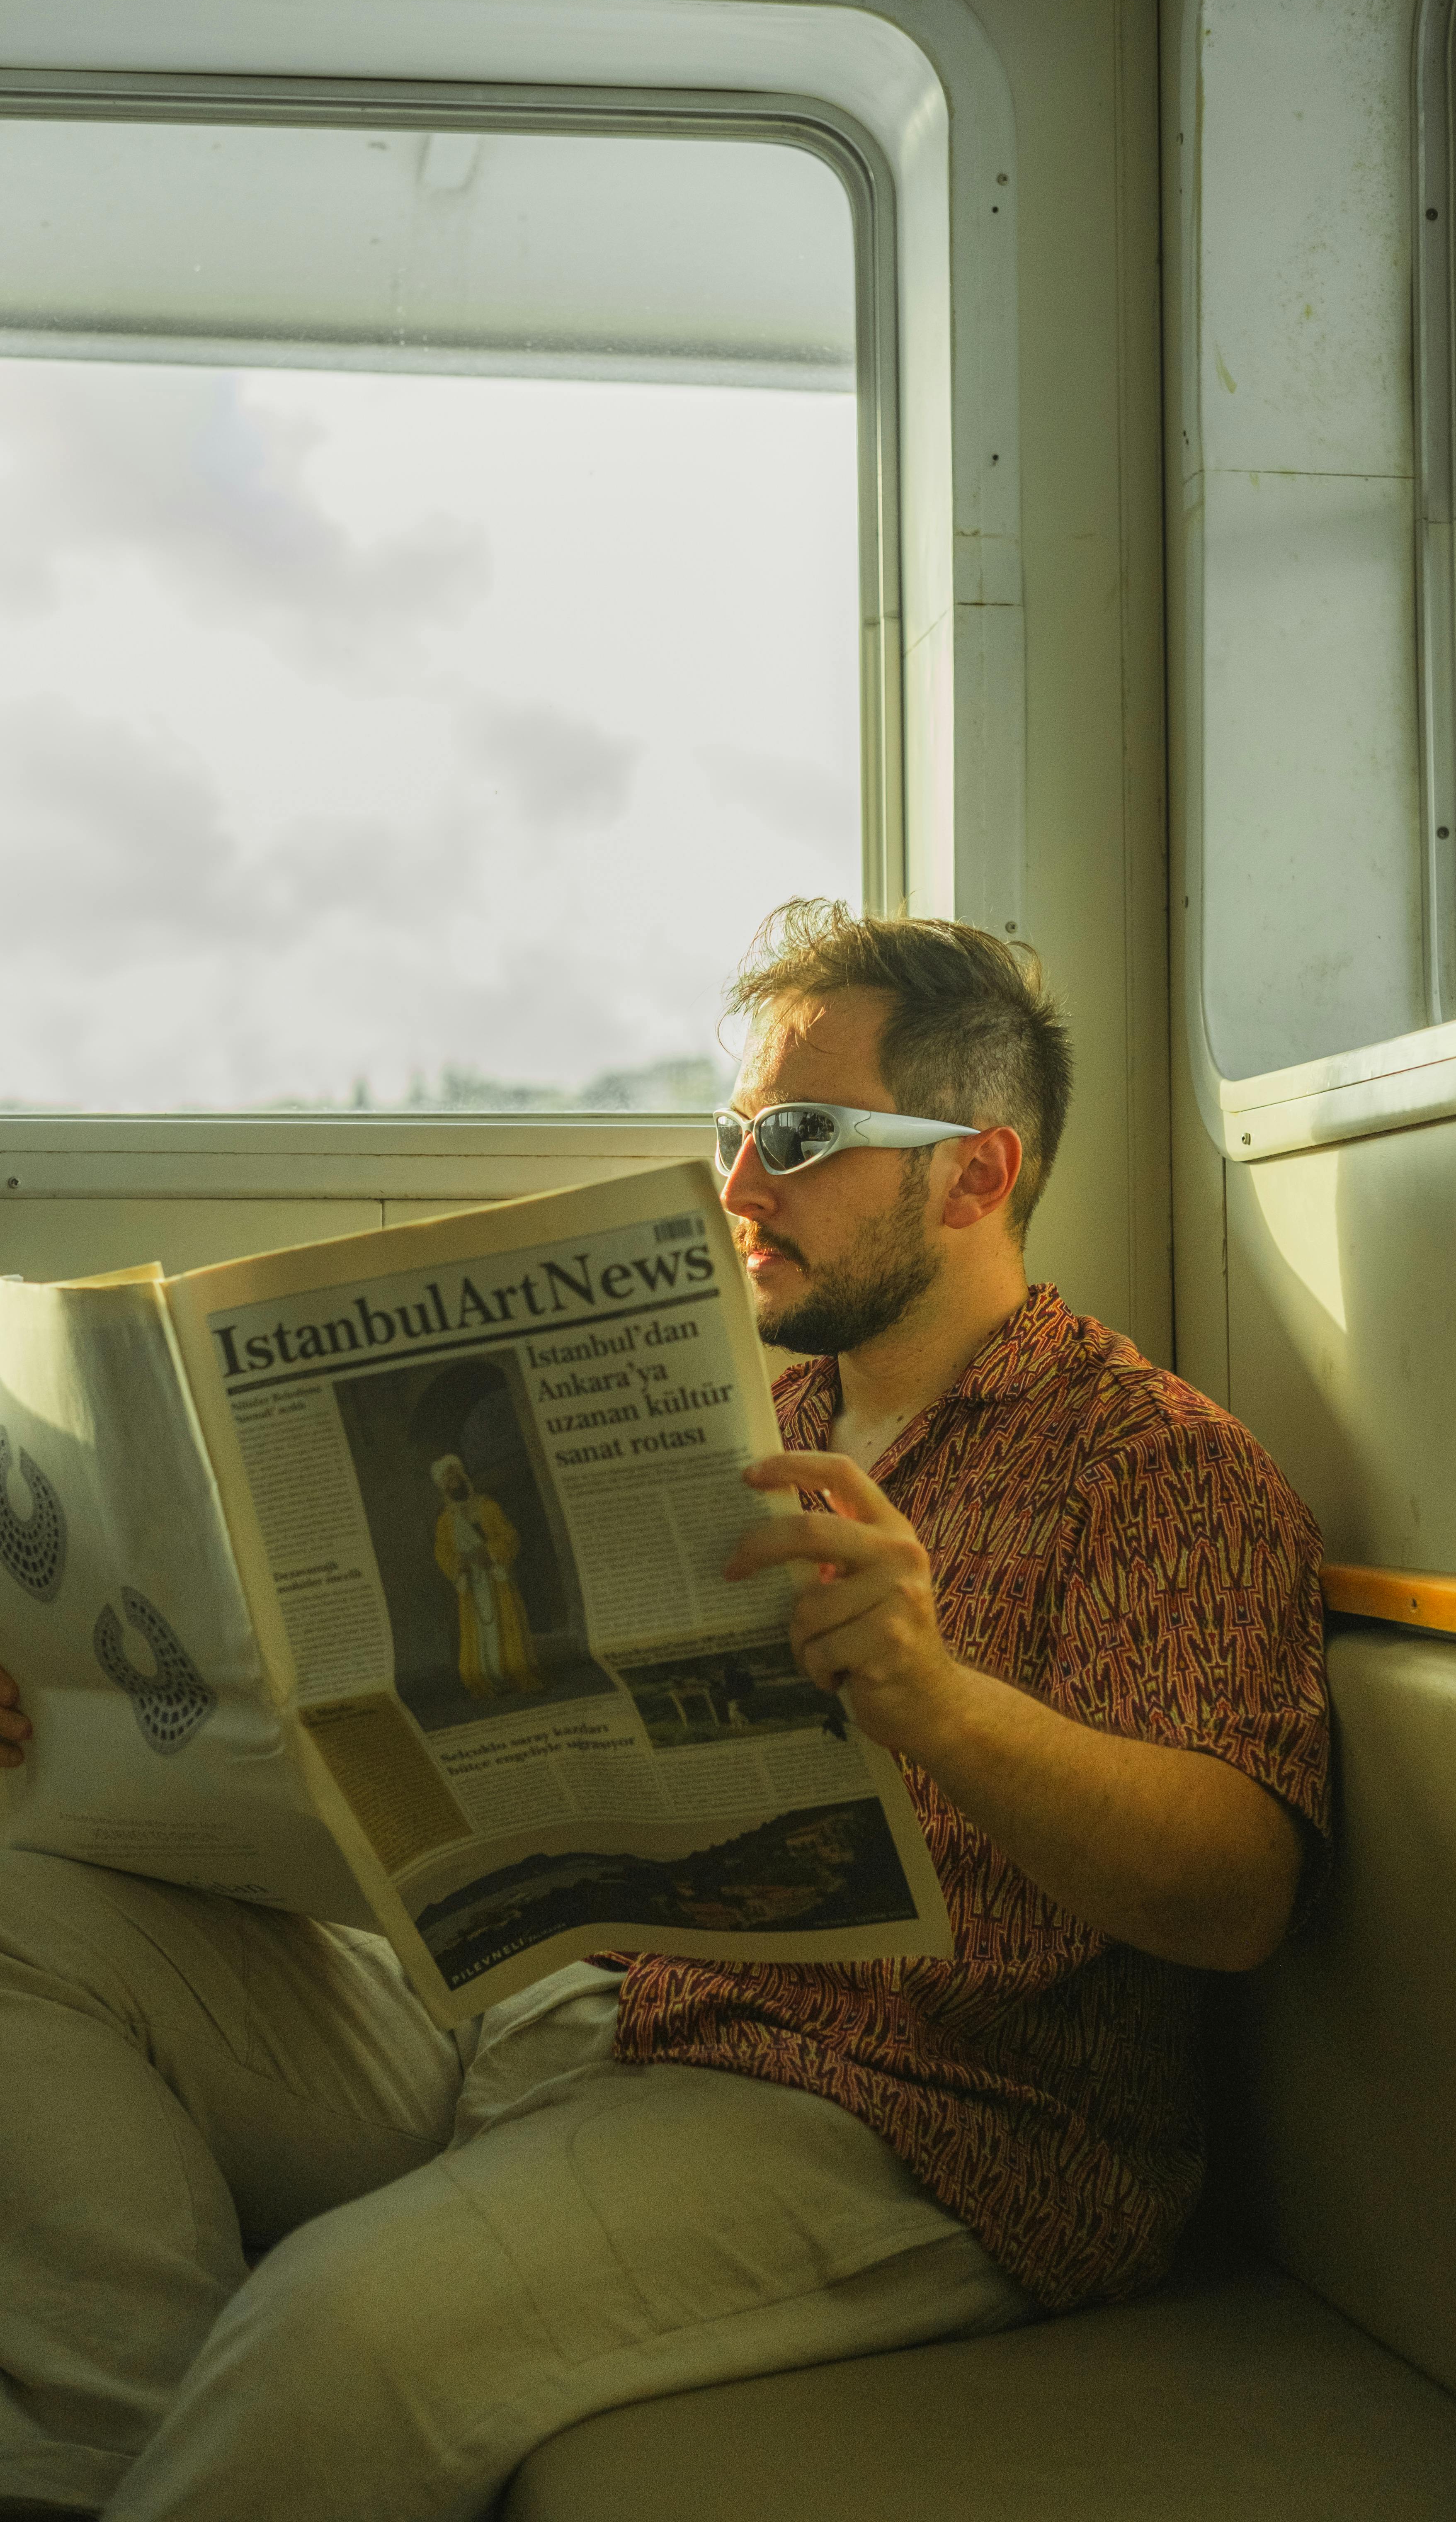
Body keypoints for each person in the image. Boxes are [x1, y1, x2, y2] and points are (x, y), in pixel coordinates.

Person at [0, 903, 1328, 2522]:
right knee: (20, 1908)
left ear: (972, 1175)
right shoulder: (732, 1416)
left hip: (907, 2111)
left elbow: (1236, 1893)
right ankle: (105, 2464)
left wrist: (935, 1702)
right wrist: (84, 1721)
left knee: (332, 2332)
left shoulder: (1155, 1465)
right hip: (575, 2007)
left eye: (794, 1134)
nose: (738, 1184)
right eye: (730, 1132)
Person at [429, 1453, 540, 1699]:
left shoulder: (487, 1507)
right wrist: (460, 1565)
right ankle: (489, 1682)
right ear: (443, 1488)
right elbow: (442, 1552)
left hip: (495, 1577)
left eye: (456, 1477)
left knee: (506, 1627)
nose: (453, 1483)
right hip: (471, 1584)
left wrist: (489, 1552)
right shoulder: (445, 1522)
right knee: (479, 1637)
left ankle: (516, 1677)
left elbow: (509, 1536)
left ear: (464, 1478)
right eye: (447, 1481)